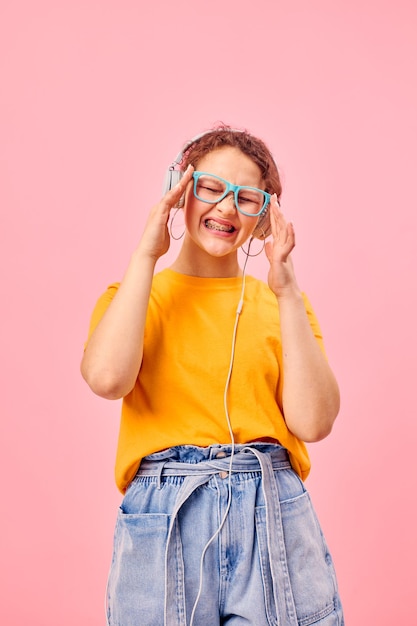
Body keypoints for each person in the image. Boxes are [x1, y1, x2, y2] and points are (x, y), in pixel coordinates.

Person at [81, 125, 344, 626]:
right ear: (180, 190)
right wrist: (145, 254)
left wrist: (286, 290)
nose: (225, 208)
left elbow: (313, 423)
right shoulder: (136, 296)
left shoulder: (283, 306)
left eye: (246, 198)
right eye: (210, 188)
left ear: (264, 216)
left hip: (270, 507)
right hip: (166, 514)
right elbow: (107, 378)